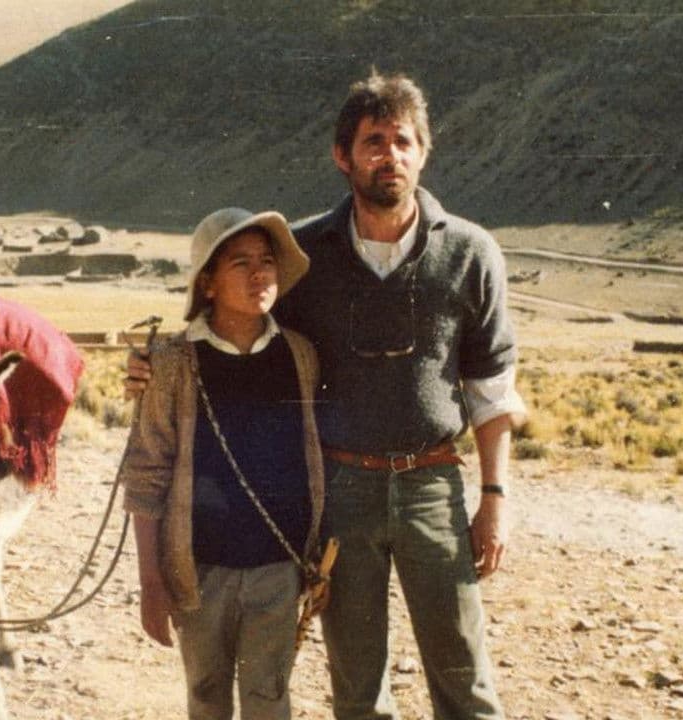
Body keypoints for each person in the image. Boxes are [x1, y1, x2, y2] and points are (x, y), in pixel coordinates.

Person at [128, 72, 526, 719]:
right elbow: (237, 323)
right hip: (342, 493)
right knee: (357, 682)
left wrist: (495, 498)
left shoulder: (471, 252)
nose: (390, 155)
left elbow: (492, 387)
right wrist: (153, 367)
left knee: (463, 670)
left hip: (432, 484)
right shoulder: (304, 256)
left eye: (403, 141)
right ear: (343, 156)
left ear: (424, 152)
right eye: (373, 141)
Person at [118, 207, 326, 720]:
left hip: (278, 567)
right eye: (240, 263)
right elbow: (145, 475)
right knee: (207, 697)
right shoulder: (171, 362)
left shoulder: (299, 354)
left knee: (269, 700)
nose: (259, 274)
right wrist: (151, 583)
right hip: (199, 570)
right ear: (207, 283)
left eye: (266, 261)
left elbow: (315, 458)